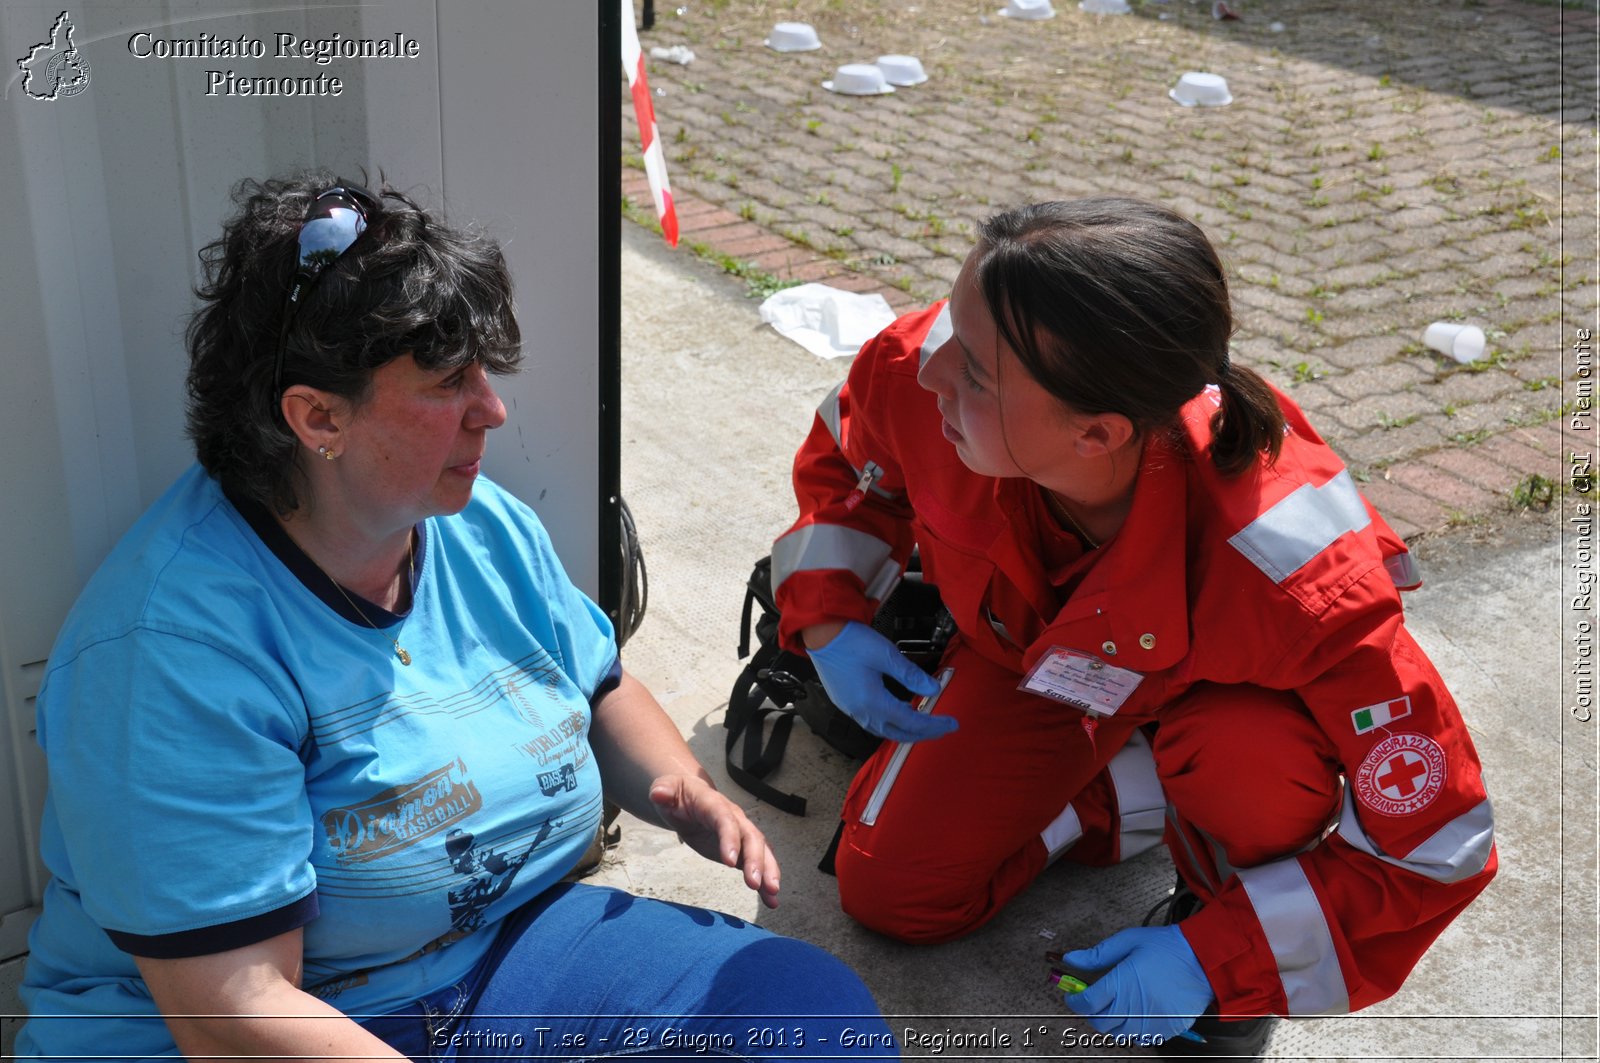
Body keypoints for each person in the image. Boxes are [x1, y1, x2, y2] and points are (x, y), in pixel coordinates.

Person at [17, 172, 895, 1061]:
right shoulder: (168, 650)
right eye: (448, 381)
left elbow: (597, 686)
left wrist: (682, 788)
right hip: (273, 1026)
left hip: (500, 954)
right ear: (317, 416)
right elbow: (231, 1013)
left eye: (484, 370)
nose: (494, 408)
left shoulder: (474, 521)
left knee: (812, 1020)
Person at [771, 197, 1496, 1053]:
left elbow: (1439, 844)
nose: (933, 374)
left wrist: (1217, 956)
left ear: (1097, 433)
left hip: (1222, 708)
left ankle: (1212, 862)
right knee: (894, 894)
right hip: (1033, 667)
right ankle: (1127, 791)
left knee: (1251, 769)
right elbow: (853, 448)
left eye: (972, 372)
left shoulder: (1295, 570)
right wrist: (826, 615)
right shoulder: (945, 356)